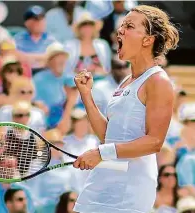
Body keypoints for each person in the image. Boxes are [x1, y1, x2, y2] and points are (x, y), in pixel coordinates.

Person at [73, 5, 179, 213]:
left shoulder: (158, 80)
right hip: (102, 180)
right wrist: (86, 95)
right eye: (122, 25)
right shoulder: (126, 81)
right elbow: (108, 136)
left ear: (148, 40)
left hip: (130, 190)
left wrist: (101, 153)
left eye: (129, 26)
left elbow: (155, 142)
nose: (120, 30)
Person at [33, 42, 77, 133]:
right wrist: (37, 104)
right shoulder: (38, 78)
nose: (61, 60)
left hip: (68, 120)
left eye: (63, 57)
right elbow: (33, 99)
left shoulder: (70, 78)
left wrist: (65, 118)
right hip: (47, 122)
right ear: (50, 61)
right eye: (57, 57)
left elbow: (73, 97)